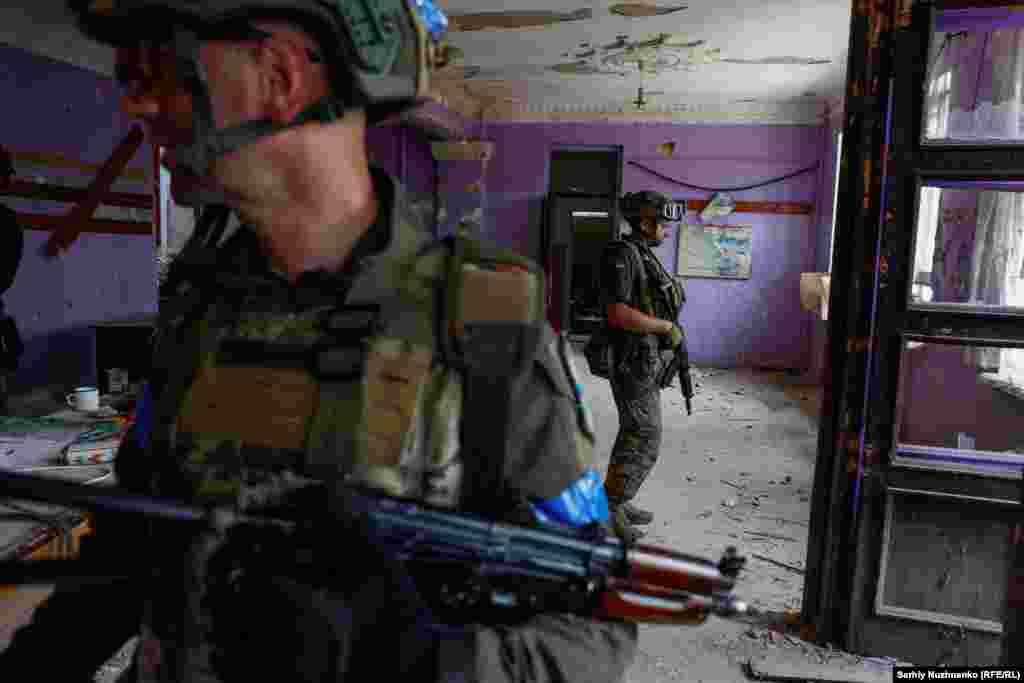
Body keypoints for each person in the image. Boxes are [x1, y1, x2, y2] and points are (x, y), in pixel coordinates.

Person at [0, 1, 638, 681]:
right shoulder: (201, 302)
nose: (134, 96)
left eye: (159, 62)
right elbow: (137, 540)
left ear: (279, 77)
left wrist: (430, 662)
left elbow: (594, 622)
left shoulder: (480, 320)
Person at [599, 190, 686, 543]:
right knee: (644, 437)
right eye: (662, 224)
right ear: (644, 222)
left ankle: (615, 501)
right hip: (631, 360)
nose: (666, 230)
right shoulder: (622, 255)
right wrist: (665, 328)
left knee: (632, 433)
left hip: (643, 360)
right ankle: (609, 510)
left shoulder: (642, 253)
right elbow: (617, 313)